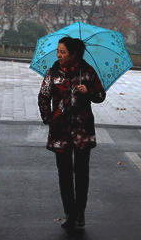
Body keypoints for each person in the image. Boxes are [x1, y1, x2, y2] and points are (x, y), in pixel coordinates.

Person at [37, 36, 106, 229]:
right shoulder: (53, 72)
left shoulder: (88, 72)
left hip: (82, 130)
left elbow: (101, 96)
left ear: (73, 54)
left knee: (82, 173)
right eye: (58, 51)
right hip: (60, 131)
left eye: (63, 52)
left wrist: (89, 92)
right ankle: (70, 212)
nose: (59, 55)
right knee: (64, 173)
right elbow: (43, 96)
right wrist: (48, 117)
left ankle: (80, 213)